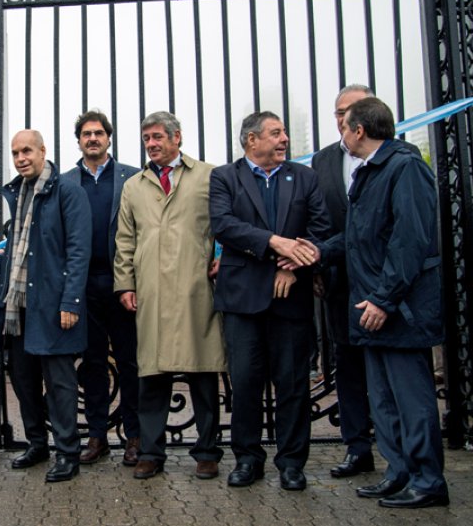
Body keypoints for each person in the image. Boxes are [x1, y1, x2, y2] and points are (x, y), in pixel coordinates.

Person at [318, 97, 448, 508]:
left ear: (359, 130)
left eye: (345, 125)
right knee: (386, 400)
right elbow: (359, 238)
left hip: (397, 311)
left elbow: (410, 242)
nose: (341, 131)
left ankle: (428, 480)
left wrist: (383, 299)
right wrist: (316, 251)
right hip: (370, 309)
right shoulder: (370, 172)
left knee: (412, 400)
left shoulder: (404, 167)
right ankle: (399, 473)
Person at [209, 110, 330, 491]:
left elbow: (320, 230)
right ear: (251, 140)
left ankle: (292, 463)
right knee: (244, 383)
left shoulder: (305, 177)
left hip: (290, 297)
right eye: (276, 133)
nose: (284, 140)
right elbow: (224, 225)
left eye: (284, 133)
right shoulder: (225, 177)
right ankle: (247, 459)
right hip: (242, 299)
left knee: (293, 384)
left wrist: (293, 266)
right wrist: (274, 243)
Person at [311, 84, 422, 479]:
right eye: (339, 111)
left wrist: (386, 293)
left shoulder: (402, 160)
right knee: (353, 370)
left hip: (389, 290)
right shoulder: (323, 162)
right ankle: (362, 450)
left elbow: (409, 234)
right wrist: (318, 265)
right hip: (343, 284)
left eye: (352, 111)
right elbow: (322, 222)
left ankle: (414, 468)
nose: (344, 119)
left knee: (400, 383)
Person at [113, 111, 226, 480]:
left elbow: (227, 223)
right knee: (152, 377)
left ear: (177, 137)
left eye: (158, 137)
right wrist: (125, 284)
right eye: (146, 138)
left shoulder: (208, 176)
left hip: (196, 289)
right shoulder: (134, 186)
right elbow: (125, 240)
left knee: (203, 374)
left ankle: (207, 452)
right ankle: (150, 452)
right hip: (151, 292)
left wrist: (222, 257)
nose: (152, 144)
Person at [0, 129, 91, 483]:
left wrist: (71, 301)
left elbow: (78, 249)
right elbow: (19, 244)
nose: (21, 158)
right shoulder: (22, 191)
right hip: (20, 307)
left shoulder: (68, 191)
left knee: (60, 384)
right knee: (24, 381)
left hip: (54, 305)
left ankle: (68, 452)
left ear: (43, 151)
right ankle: (37, 443)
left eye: (27, 150)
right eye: (15, 153)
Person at [62, 110, 141, 467]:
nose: (92, 138)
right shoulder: (65, 182)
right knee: (92, 363)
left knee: (130, 362)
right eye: (86, 134)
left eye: (98, 133)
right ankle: (97, 437)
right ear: (78, 140)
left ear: (109, 138)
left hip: (123, 284)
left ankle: (134, 436)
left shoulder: (133, 178)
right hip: (82, 286)